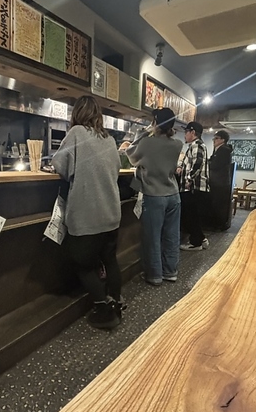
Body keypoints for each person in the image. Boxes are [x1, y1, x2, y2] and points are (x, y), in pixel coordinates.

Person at [52, 95, 123, 330]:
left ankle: (104, 309)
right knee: (110, 259)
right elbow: (117, 168)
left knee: (82, 264)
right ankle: (116, 302)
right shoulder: (109, 139)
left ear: (77, 114)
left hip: (87, 215)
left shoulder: (76, 133)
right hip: (111, 213)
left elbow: (60, 165)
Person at [124, 108, 183, 286]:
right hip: (173, 195)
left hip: (154, 194)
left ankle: (155, 275)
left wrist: (144, 131)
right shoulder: (177, 144)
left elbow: (131, 155)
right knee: (172, 235)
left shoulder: (147, 143)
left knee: (153, 237)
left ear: (155, 122)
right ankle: (170, 272)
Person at [178, 121, 210, 250]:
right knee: (193, 216)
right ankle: (201, 239)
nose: (184, 135)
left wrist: (189, 179)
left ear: (193, 132)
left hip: (194, 187)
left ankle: (196, 243)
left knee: (190, 216)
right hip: (195, 187)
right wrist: (181, 168)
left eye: (186, 132)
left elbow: (197, 163)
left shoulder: (197, 145)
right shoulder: (196, 145)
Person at [209, 129, 233, 230]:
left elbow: (215, 165)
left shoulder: (224, 150)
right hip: (219, 182)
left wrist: (207, 164)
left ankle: (220, 225)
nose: (214, 140)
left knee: (219, 205)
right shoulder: (219, 149)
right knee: (217, 204)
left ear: (223, 140)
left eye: (216, 138)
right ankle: (218, 224)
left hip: (220, 182)